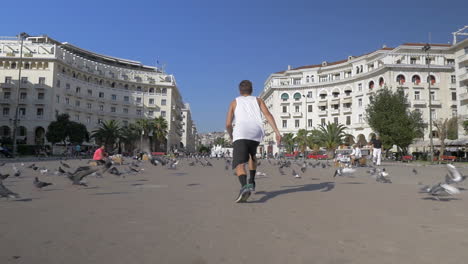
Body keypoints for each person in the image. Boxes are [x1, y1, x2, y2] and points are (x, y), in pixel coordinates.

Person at [226, 80, 281, 203]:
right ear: (251, 90)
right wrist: (277, 132)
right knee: (252, 155)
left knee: (239, 164)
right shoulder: (258, 100)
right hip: (256, 131)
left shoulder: (235, 102)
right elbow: (268, 115)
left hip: (241, 132)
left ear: (240, 91)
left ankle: (244, 187)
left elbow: (228, 123)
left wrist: (231, 135)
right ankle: (251, 180)